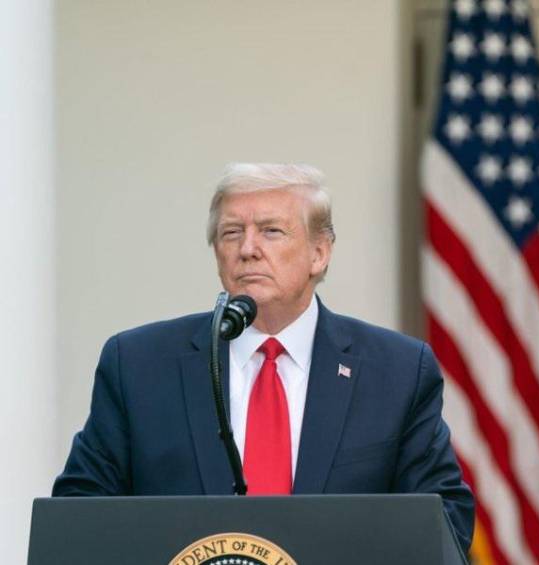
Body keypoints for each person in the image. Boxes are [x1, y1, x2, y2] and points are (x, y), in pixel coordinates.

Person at [53, 163, 474, 553]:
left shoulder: (397, 371)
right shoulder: (139, 365)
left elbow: (444, 522)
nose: (248, 248)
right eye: (231, 233)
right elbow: (80, 515)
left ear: (319, 253)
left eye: (271, 231)